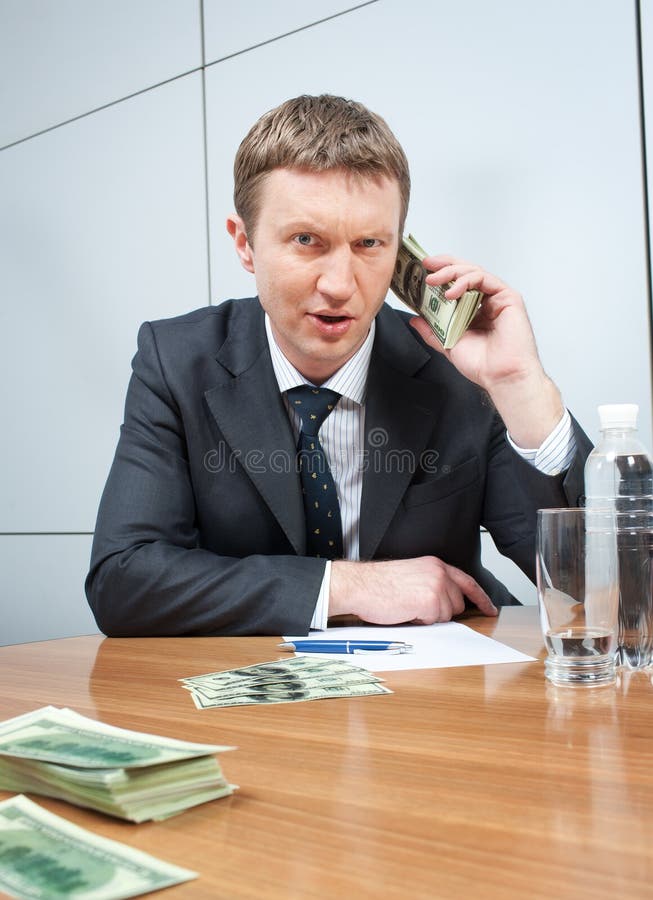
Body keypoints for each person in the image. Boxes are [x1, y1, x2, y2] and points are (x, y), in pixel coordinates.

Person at [85, 94, 592, 637]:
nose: (339, 285)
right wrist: (348, 587)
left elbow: (604, 587)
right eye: (307, 240)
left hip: (433, 705)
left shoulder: (457, 371)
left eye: (369, 243)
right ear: (246, 244)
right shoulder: (176, 361)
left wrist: (521, 389)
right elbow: (123, 579)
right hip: (249, 699)